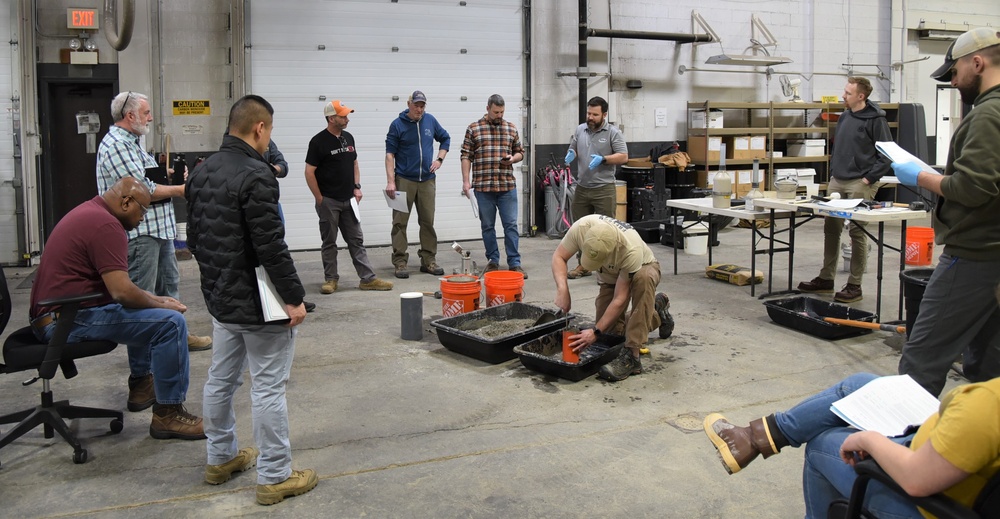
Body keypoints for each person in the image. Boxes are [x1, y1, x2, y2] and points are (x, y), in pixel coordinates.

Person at [187, 95, 317, 506]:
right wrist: (294, 299)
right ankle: (275, 476)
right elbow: (271, 248)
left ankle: (220, 458)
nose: (269, 140)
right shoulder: (258, 175)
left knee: (220, 380)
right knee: (267, 387)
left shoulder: (201, 173)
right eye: (270, 132)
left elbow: (195, 240)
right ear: (260, 128)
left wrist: (219, 284)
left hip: (222, 298)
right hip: (259, 302)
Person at [29, 176, 205, 440]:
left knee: (160, 314)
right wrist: (162, 307)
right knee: (170, 324)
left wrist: (160, 301)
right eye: (143, 210)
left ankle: (143, 386)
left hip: (61, 313)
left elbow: (119, 287)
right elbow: (122, 293)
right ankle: (168, 415)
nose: (143, 218)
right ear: (126, 202)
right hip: (64, 320)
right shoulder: (106, 226)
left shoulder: (92, 212)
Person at [703, 372, 1000, 517]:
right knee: (862, 384)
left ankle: (752, 441)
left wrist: (869, 439)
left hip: (928, 504)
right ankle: (757, 437)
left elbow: (917, 481)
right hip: (942, 454)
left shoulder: (988, 402)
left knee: (821, 445)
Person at [891, 27, 1000, 397]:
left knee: (921, 361)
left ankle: (900, 452)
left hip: (975, 254)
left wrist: (923, 176)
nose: (953, 82)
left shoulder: (988, 114)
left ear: (977, 62)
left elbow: (972, 188)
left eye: (954, 73)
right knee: (989, 366)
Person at [96, 91, 214, 352]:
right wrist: (182, 189)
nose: (150, 118)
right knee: (142, 298)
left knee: (168, 289)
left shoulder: (132, 142)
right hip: (142, 234)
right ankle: (143, 367)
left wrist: (170, 175)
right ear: (130, 115)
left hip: (158, 230)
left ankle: (176, 335)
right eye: (146, 113)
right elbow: (141, 190)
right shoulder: (117, 145)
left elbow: (145, 177)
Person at [797, 77, 892, 303]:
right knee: (831, 228)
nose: (844, 95)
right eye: (844, 91)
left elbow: (887, 154)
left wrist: (869, 179)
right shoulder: (846, 116)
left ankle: (854, 284)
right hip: (837, 180)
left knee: (857, 231)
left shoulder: (876, 120)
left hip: (861, 181)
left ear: (861, 96)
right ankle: (826, 278)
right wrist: (833, 173)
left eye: (848, 93)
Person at [551, 214, 673, 382]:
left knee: (643, 279)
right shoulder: (582, 228)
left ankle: (633, 356)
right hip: (610, 275)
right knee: (611, 335)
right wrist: (563, 290)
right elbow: (559, 256)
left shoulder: (630, 248)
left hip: (643, 267)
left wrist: (594, 331)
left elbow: (620, 298)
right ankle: (657, 311)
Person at [305, 100, 393, 295]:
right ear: (331, 118)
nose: (347, 119)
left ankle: (367, 279)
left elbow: (354, 164)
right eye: (343, 116)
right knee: (329, 242)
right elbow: (309, 172)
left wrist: (357, 187)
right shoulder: (318, 142)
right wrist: (320, 198)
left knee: (356, 240)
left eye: (346, 115)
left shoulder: (348, 138)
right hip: (329, 200)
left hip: (349, 200)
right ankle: (331, 280)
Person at [384, 90, 451, 279]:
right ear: (409, 104)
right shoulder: (397, 125)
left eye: (422, 106)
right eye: (416, 106)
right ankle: (400, 262)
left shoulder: (430, 121)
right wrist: (391, 182)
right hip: (403, 180)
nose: (419, 109)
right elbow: (390, 155)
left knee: (427, 221)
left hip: (427, 181)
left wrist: (439, 159)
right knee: (399, 223)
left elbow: (445, 139)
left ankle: (428, 260)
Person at [460, 94, 528, 278]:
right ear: (488, 108)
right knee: (488, 226)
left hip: (507, 187)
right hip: (483, 188)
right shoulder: (474, 129)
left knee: (511, 225)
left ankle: (514, 263)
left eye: (502, 112)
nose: (499, 115)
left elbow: (520, 152)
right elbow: (466, 156)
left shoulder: (510, 128)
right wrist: (466, 182)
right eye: (496, 112)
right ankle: (493, 261)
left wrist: (513, 159)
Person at [563, 96, 629, 279]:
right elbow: (574, 147)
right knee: (581, 230)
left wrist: (605, 159)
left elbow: (623, 156)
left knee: (606, 232)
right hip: (582, 188)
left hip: (603, 189)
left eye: (595, 114)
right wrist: (571, 153)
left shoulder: (613, 133)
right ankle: (583, 266)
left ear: (604, 115)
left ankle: (608, 270)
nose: (590, 117)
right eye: (588, 113)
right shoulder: (580, 129)